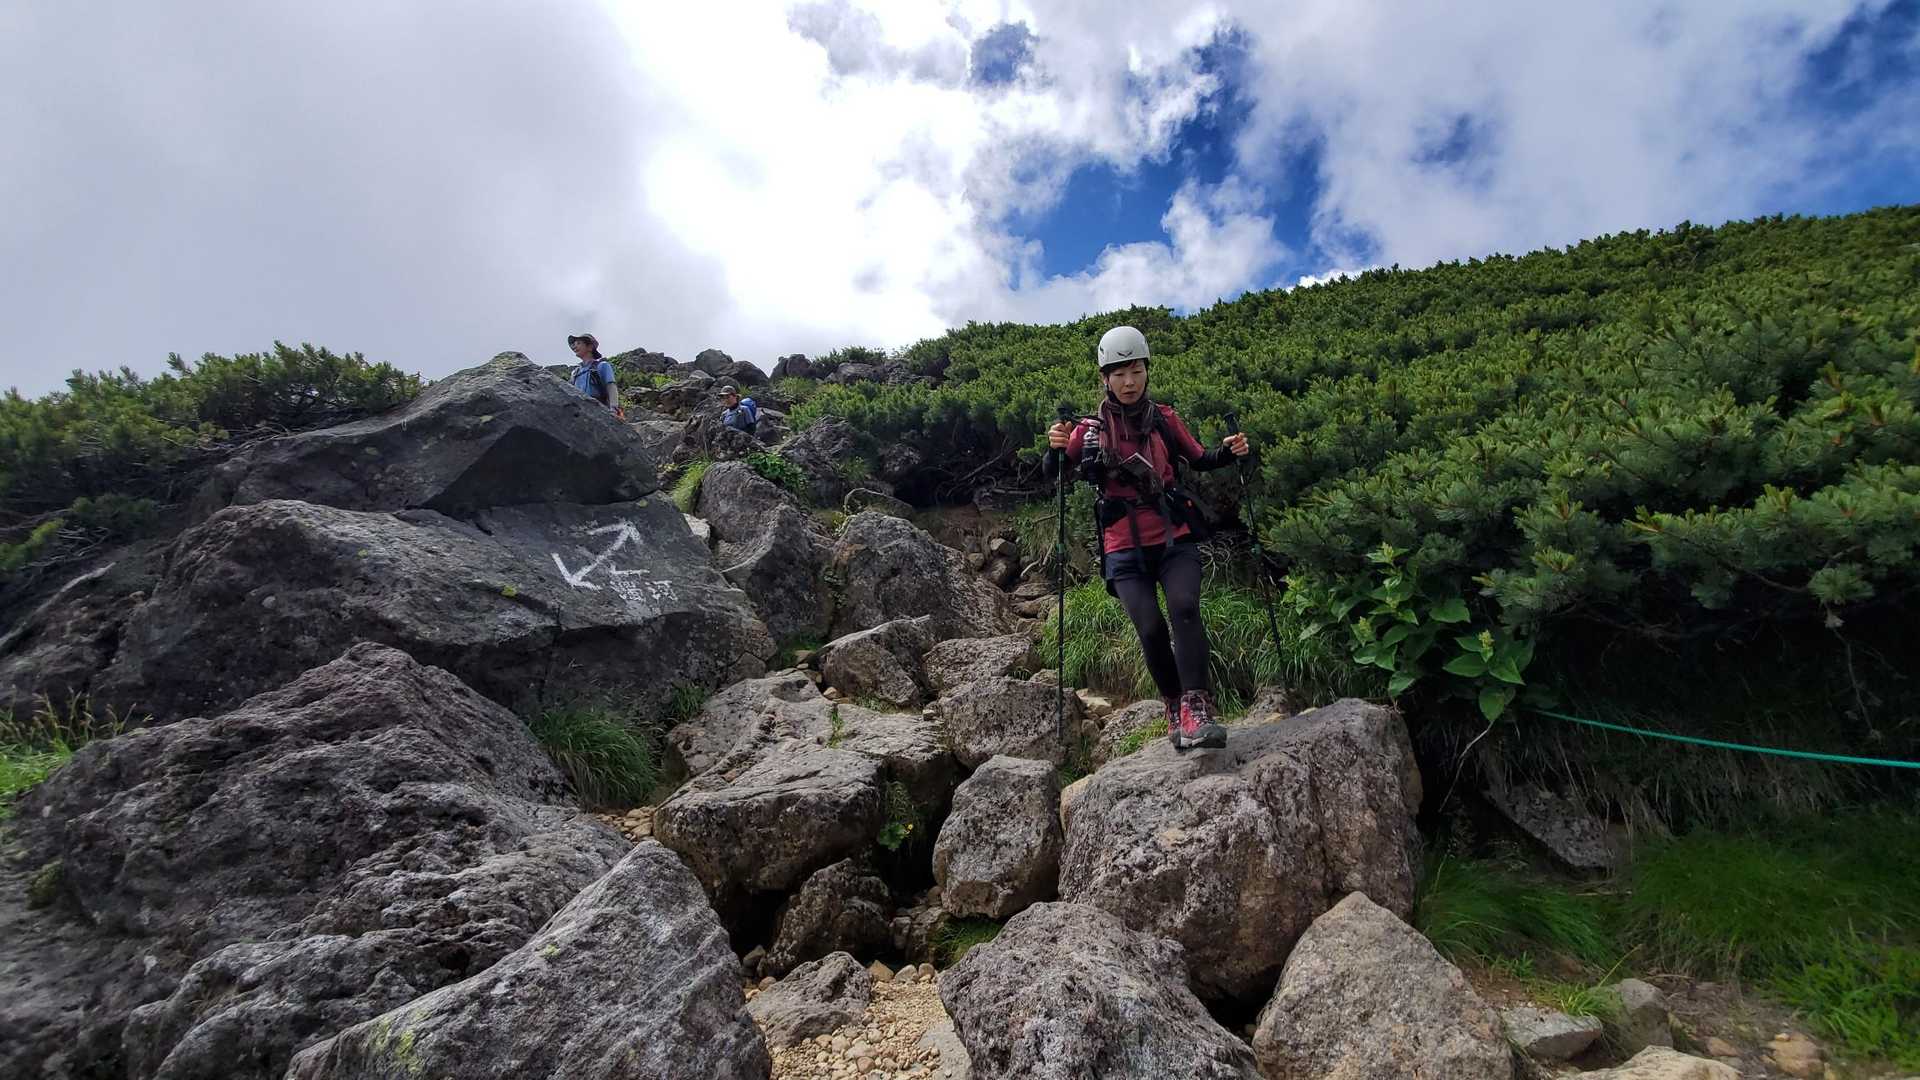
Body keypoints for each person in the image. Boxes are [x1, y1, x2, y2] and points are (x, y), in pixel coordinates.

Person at [1048, 325, 1250, 751]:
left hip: (1175, 537)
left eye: (1136, 371)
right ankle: (1174, 706)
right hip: (1122, 546)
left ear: (1146, 371)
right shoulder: (1088, 430)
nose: (1129, 382)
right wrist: (1055, 448)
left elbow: (1200, 458)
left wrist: (1229, 451)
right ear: (1105, 378)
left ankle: (1197, 708)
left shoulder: (1165, 419)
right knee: (1151, 628)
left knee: (1185, 608)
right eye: (1119, 373)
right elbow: (1056, 472)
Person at [568, 333, 622, 416]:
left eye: (578, 343)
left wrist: (613, 408)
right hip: (579, 413)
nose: (575, 347)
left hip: (600, 410)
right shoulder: (575, 373)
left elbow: (611, 386)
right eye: (574, 344)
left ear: (590, 347)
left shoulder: (602, 366)